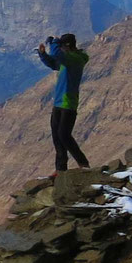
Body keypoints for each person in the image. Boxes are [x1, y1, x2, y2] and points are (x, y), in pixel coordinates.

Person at [37, 33, 91, 171]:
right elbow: (53, 63)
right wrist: (43, 54)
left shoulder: (75, 59)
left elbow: (56, 54)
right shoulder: (66, 60)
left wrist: (53, 42)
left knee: (63, 135)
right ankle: (61, 169)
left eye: (62, 46)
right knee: (57, 136)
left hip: (68, 104)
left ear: (67, 46)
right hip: (58, 103)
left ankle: (83, 163)